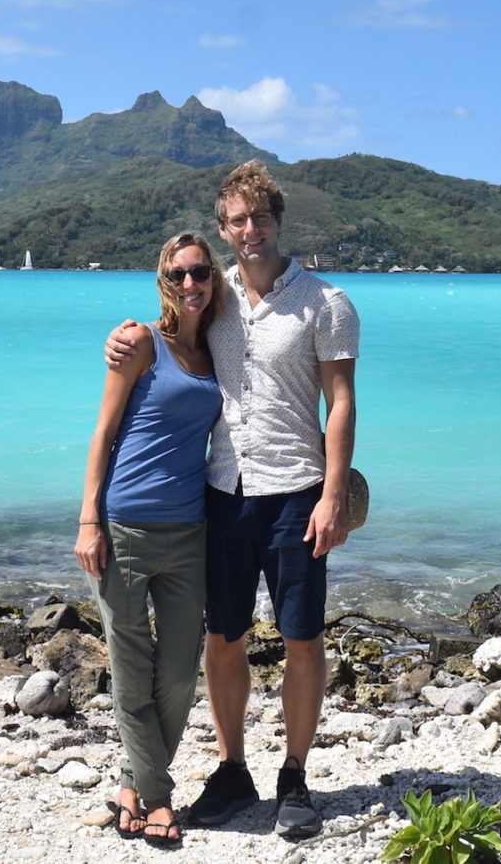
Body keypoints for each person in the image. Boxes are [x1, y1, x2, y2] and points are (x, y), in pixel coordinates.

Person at [106, 161, 359, 839]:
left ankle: (296, 774)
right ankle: (231, 767)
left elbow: (340, 403)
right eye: (238, 220)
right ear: (224, 229)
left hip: (296, 491)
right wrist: (125, 337)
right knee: (224, 636)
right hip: (222, 492)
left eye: (261, 218)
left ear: (278, 221)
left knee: (302, 638)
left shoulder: (325, 303)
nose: (251, 230)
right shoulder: (215, 302)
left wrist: (334, 494)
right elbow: (171, 333)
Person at [76, 232, 225, 849]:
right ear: (163, 283)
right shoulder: (139, 342)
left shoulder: (219, 350)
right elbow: (103, 434)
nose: (189, 284)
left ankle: (131, 784)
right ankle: (158, 798)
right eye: (177, 275)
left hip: (191, 530)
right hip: (125, 528)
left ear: (214, 279)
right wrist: (89, 521)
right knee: (132, 668)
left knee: (181, 671)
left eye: (199, 273)